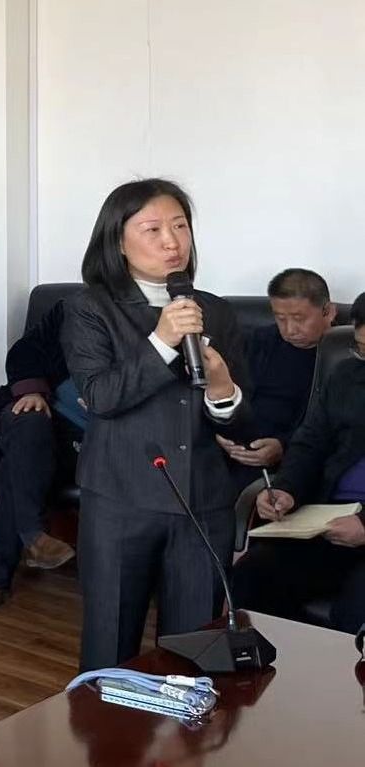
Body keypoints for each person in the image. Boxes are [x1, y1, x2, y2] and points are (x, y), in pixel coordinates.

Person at [61, 178, 255, 671]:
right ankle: (107, 725)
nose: (172, 241)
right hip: (121, 499)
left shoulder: (215, 310)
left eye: (180, 226)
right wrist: (161, 341)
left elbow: (240, 424)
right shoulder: (90, 308)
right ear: (118, 242)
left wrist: (222, 389)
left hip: (203, 502)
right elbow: (101, 398)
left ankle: (189, 723)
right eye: (153, 229)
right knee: (111, 644)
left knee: (195, 651)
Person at [231, 296, 365, 636]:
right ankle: (274, 665)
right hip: (329, 519)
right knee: (254, 574)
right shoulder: (346, 376)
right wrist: (286, 489)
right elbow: (310, 442)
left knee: (357, 605)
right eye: (363, 348)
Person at [0, 299, 86, 610]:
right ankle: (33, 536)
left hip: (86, 436)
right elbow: (25, 351)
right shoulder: (73, 307)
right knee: (30, 424)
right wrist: (32, 390)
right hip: (34, 409)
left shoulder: (159, 321)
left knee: (16, 464)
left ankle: (0, 570)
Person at [216, 268, 336, 488]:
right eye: (280, 318)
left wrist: (284, 446)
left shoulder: (342, 354)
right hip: (234, 448)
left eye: (299, 319)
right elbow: (223, 391)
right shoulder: (257, 342)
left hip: (291, 459)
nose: (289, 330)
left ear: (328, 312)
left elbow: (335, 426)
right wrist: (220, 430)